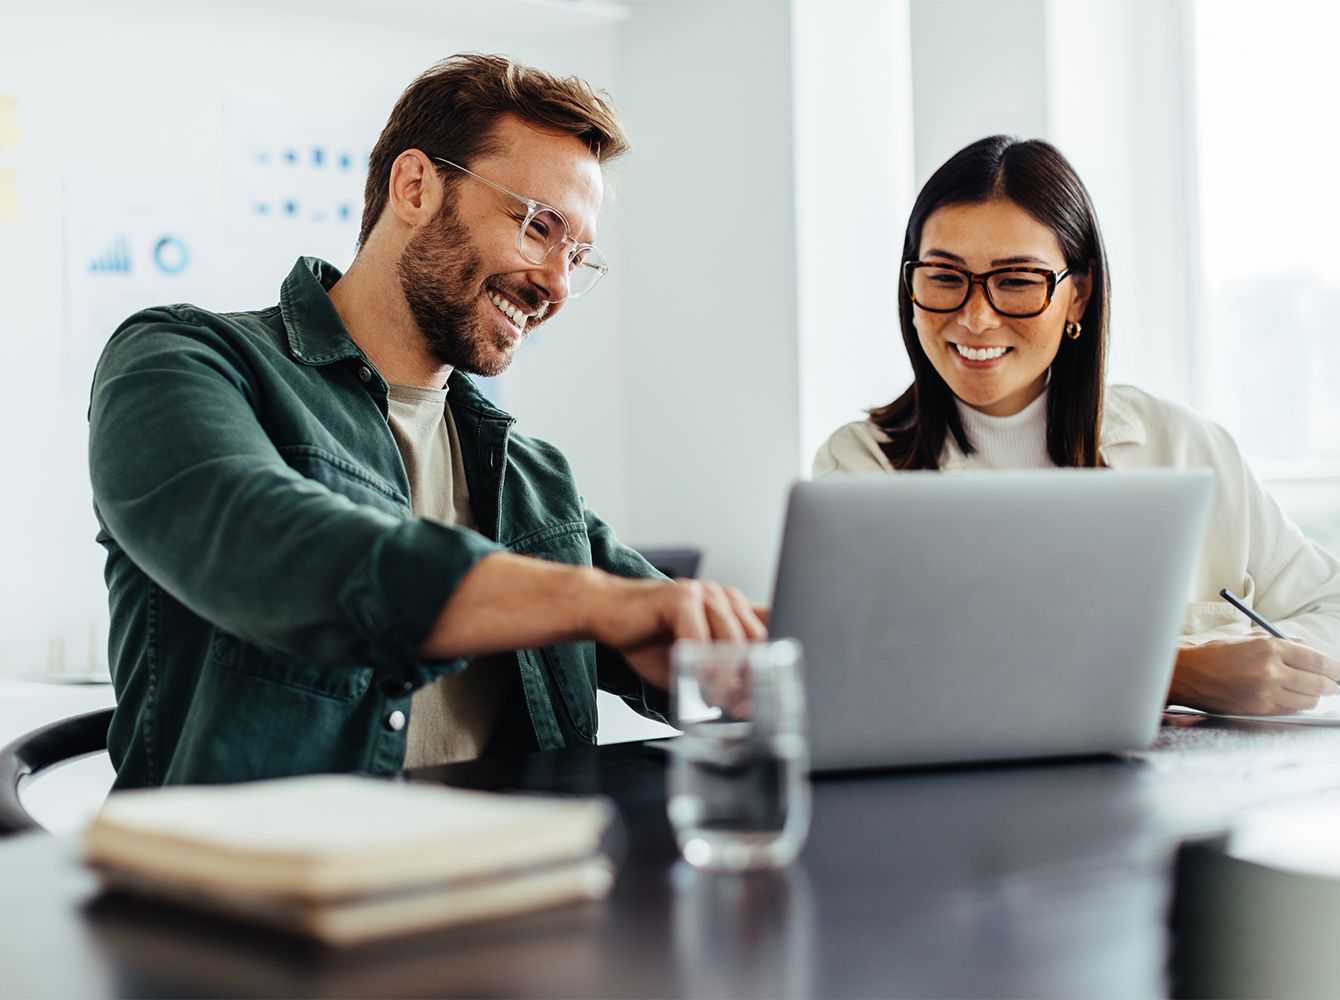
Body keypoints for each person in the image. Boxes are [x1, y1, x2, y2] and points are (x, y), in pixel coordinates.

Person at [88, 55, 765, 789]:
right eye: (539, 227)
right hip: (263, 889)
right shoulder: (182, 359)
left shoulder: (534, 478)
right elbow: (273, 543)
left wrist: (752, 653)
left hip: (519, 882)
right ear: (415, 187)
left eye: (578, 255)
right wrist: (597, 603)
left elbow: (665, 626)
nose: (557, 285)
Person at [813, 135, 1340, 718]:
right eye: (944, 276)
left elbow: (1333, 609)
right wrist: (1173, 672)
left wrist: (1265, 665)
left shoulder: (1186, 446)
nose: (975, 316)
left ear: (1079, 295)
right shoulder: (859, 467)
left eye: (1016, 281)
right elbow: (875, 672)